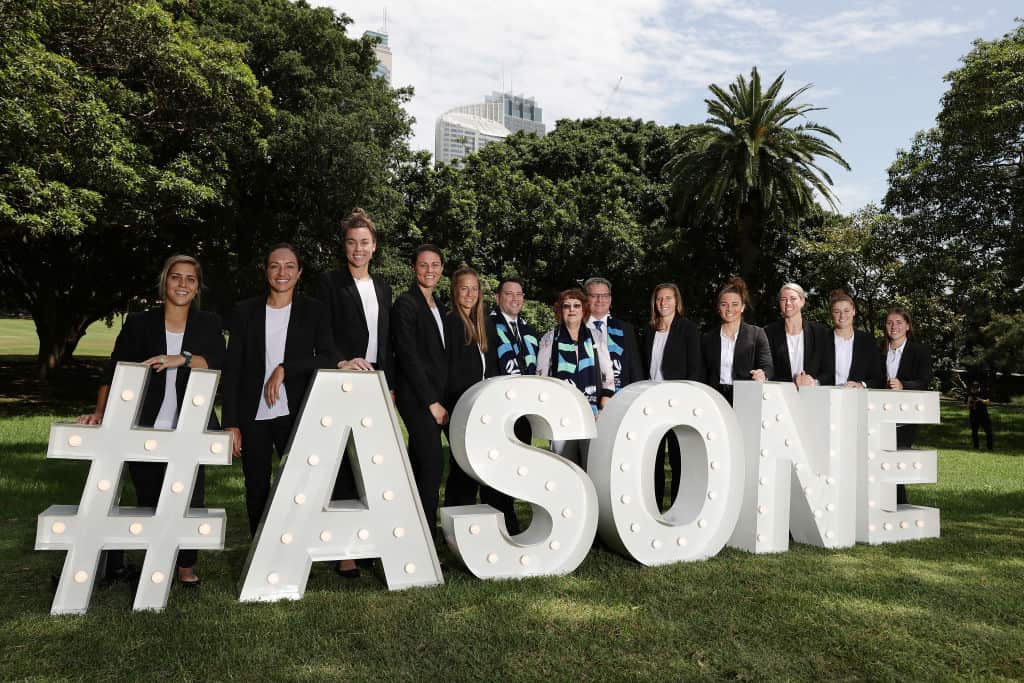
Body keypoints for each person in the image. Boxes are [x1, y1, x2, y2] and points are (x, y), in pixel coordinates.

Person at [78, 254, 225, 587]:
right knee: (149, 498)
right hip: (143, 425)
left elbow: (218, 361)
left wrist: (183, 359)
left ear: (197, 286)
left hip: (191, 429)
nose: (183, 284)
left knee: (191, 499)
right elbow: (113, 371)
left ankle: (185, 568)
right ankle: (154, 563)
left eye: (190, 279)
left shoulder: (209, 323)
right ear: (165, 281)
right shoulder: (139, 323)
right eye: (176, 277)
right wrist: (101, 412)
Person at [221, 244, 338, 538]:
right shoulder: (244, 311)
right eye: (275, 265)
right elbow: (232, 369)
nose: (282, 272)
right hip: (253, 413)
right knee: (256, 487)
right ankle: (262, 549)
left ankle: (298, 544)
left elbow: (327, 358)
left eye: (289, 266)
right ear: (266, 271)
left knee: (302, 483)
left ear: (299, 273)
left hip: (296, 411)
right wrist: (231, 422)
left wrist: (285, 368)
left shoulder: (314, 310)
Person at [316, 208, 393, 576]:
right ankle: (343, 550)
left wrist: (388, 384)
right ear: (344, 247)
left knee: (373, 462)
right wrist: (340, 362)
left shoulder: (383, 288)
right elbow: (322, 331)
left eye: (365, 242)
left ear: (374, 246)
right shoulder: (331, 283)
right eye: (352, 242)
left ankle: (372, 540)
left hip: (375, 384)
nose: (358, 249)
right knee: (343, 462)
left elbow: (386, 341)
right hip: (344, 380)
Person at [441, 267, 521, 532]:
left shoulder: (485, 322)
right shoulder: (451, 322)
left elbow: (494, 366)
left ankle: (496, 521)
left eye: (474, 289)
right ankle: (456, 526)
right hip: (461, 406)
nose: (469, 294)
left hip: (485, 407)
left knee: (487, 464)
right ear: (455, 291)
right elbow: (449, 369)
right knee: (462, 468)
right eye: (464, 288)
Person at [391, 244, 448, 539]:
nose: (430, 270)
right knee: (431, 466)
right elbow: (408, 356)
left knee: (420, 465)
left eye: (435, 265)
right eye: (424, 265)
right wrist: (432, 403)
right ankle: (425, 538)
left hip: (437, 397)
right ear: (414, 268)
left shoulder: (438, 304)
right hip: (418, 399)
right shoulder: (406, 304)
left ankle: (412, 532)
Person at [537, 288, 615, 466]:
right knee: (565, 466)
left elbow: (608, 374)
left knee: (591, 464)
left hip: (592, 413)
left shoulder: (596, 337)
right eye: (567, 306)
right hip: (561, 413)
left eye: (576, 306)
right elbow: (542, 377)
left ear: (584, 310)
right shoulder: (550, 338)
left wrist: (603, 407)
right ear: (560, 310)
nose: (572, 310)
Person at [645, 283, 704, 512]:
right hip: (653, 400)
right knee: (654, 456)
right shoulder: (650, 329)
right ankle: (655, 505)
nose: (663, 303)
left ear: (676, 302)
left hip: (679, 400)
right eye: (659, 299)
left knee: (679, 457)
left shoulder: (687, 328)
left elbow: (695, 366)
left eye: (668, 298)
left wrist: (689, 398)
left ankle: (679, 507)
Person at [881, 306, 933, 505]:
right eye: (890, 323)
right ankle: (887, 505)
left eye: (899, 322)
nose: (894, 327)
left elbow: (925, 381)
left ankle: (899, 504)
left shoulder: (919, 351)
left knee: (895, 460)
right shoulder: (880, 350)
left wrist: (904, 386)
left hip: (906, 416)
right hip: (880, 415)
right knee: (882, 461)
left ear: (908, 326)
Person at [700, 276, 773, 404]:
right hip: (714, 398)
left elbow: (768, 367)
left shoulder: (756, 334)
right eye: (724, 304)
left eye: (735, 304)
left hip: (746, 396)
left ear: (742, 307)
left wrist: (763, 374)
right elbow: (702, 372)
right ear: (718, 307)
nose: (729, 309)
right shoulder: (708, 338)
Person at [763, 282, 829, 386]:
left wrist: (814, 382)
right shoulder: (768, 333)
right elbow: (767, 367)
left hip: (814, 395)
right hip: (780, 395)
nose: (788, 303)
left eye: (793, 299)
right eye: (783, 299)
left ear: (802, 301)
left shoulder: (820, 333)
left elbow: (829, 371)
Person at [584, 277, 643, 392]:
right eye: (594, 295)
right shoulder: (576, 328)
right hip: (585, 395)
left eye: (605, 295)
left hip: (620, 397)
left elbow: (635, 369)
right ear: (586, 299)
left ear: (610, 299)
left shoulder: (626, 329)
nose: (600, 300)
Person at [820, 289, 884, 389]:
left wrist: (861, 385)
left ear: (854, 311)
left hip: (857, 398)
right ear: (831, 314)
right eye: (837, 311)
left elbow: (878, 378)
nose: (842, 316)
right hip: (826, 397)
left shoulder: (867, 341)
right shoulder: (821, 339)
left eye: (846, 311)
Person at [967, 381, 994, 450]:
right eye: (973, 388)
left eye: (976, 388)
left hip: (984, 415)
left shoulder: (983, 393)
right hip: (974, 416)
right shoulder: (970, 395)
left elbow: (988, 402)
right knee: (974, 432)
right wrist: (971, 402)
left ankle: (990, 447)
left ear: (978, 388)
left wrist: (980, 400)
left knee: (989, 432)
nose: (974, 390)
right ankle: (976, 447)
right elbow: (968, 406)